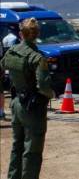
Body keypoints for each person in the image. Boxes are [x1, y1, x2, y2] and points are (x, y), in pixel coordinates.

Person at [1, 18, 54, 179]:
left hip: (16, 102)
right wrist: (51, 94)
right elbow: (43, 85)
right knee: (32, 150)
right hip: (32, 107)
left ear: (20, 34)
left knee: (17, 145)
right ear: (36, 35)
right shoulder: (37, 57)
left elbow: (3, 66)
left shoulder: (12, 52)